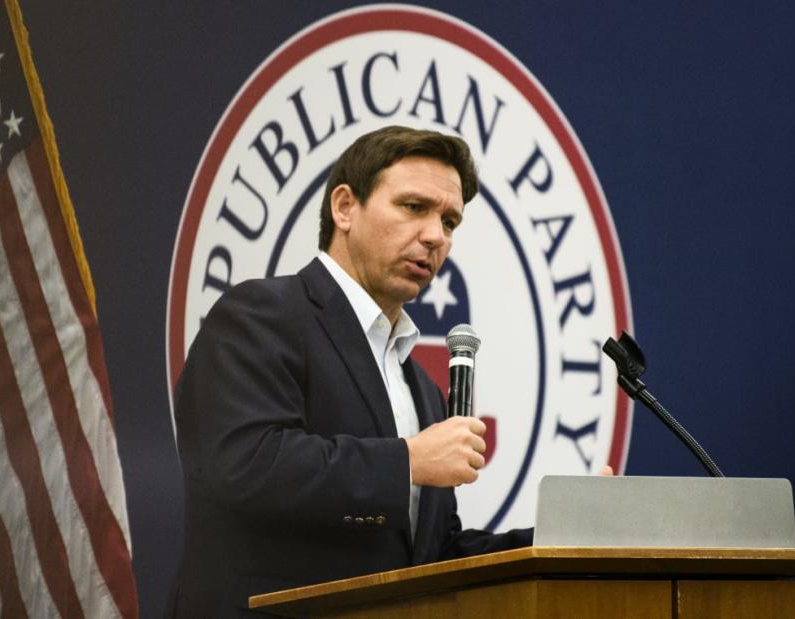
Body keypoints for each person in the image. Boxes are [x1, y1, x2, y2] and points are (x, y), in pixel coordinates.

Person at [170, 126, 533, 617]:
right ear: (345, 207)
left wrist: (561, 539)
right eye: (413, 207)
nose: (435, 236)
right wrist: (407, 461)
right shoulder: (260, 314)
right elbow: (245, 467)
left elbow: (431, 554)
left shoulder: (421, 388)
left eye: (449, 221)